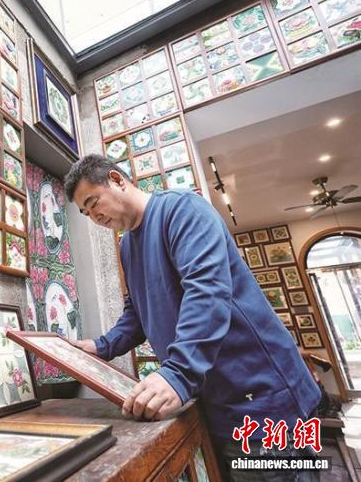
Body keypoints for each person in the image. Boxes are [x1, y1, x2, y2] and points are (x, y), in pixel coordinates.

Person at [64, 154, 321, 481]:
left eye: (93, 203)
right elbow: (137, 313)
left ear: (117, 180)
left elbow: (207, 291)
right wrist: (101, 347)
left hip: (260, 396)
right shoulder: (127, 246)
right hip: (215, 401)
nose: (94, 217)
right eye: (86, 213)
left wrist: (178, 374)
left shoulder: (182, 209)